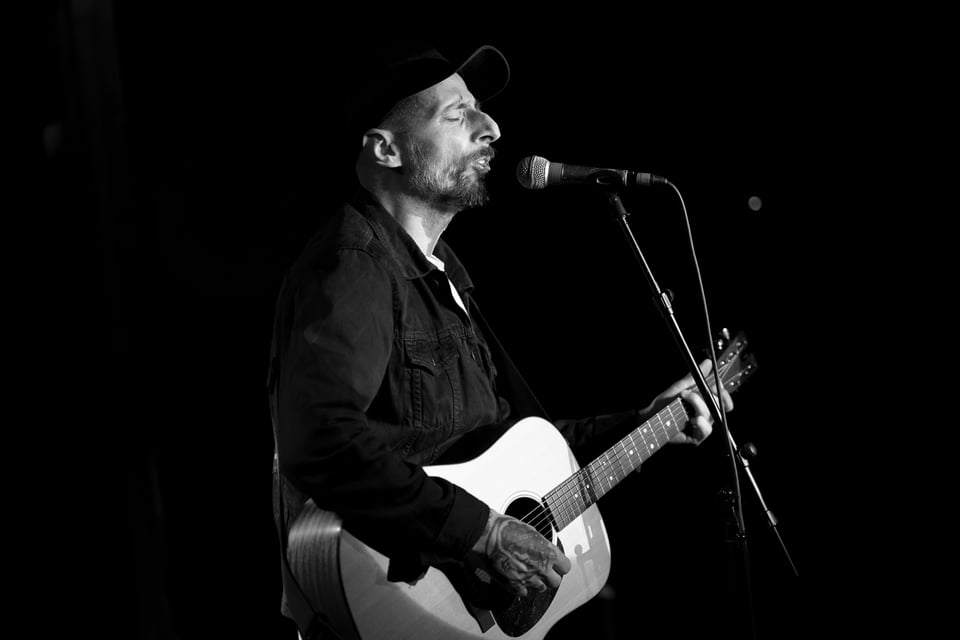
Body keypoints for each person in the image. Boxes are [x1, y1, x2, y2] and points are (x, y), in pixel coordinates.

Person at [267, 40, 733, 638]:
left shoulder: (445, 278)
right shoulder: (353, 264)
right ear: (386, 149)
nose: (491, 128)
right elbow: (321, 439)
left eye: (481, 111)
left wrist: (650, 422)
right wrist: (481, 533)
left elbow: (515, 456)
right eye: (459, 115)